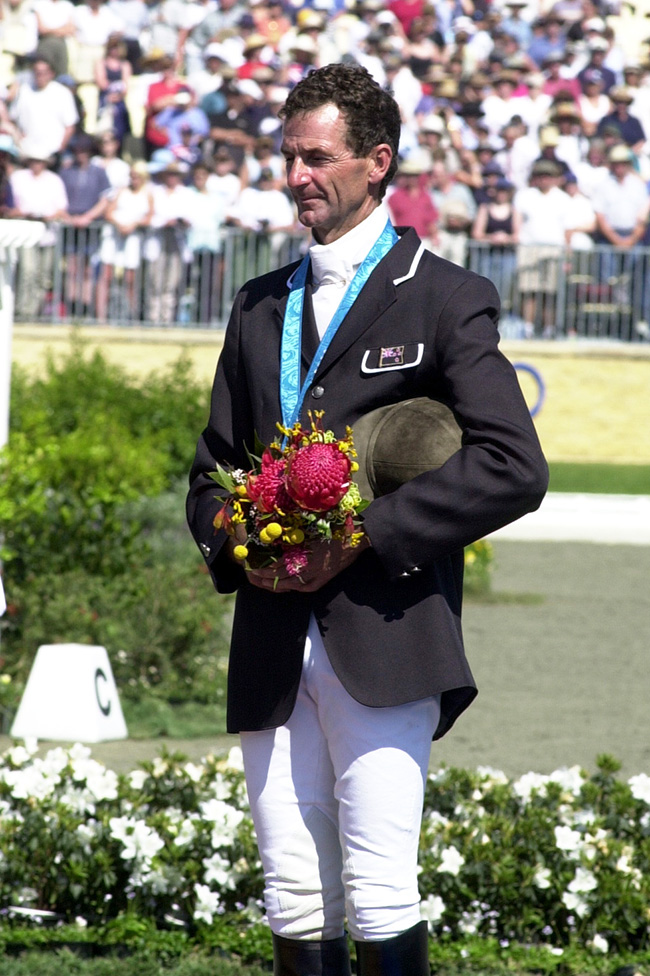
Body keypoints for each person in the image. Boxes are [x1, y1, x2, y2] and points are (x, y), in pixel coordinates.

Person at [187, 63, 548, 976]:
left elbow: (512, 467)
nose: (296, 175)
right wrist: (245, 547)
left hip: (384, 628)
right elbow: (212, 472)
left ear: (376, 162)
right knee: (294, 895)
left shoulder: (444, 294)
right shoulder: (259, 304)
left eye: (316, 158)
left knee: (383, 888)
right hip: (271, 629)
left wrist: (361, 538)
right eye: (287, 157)